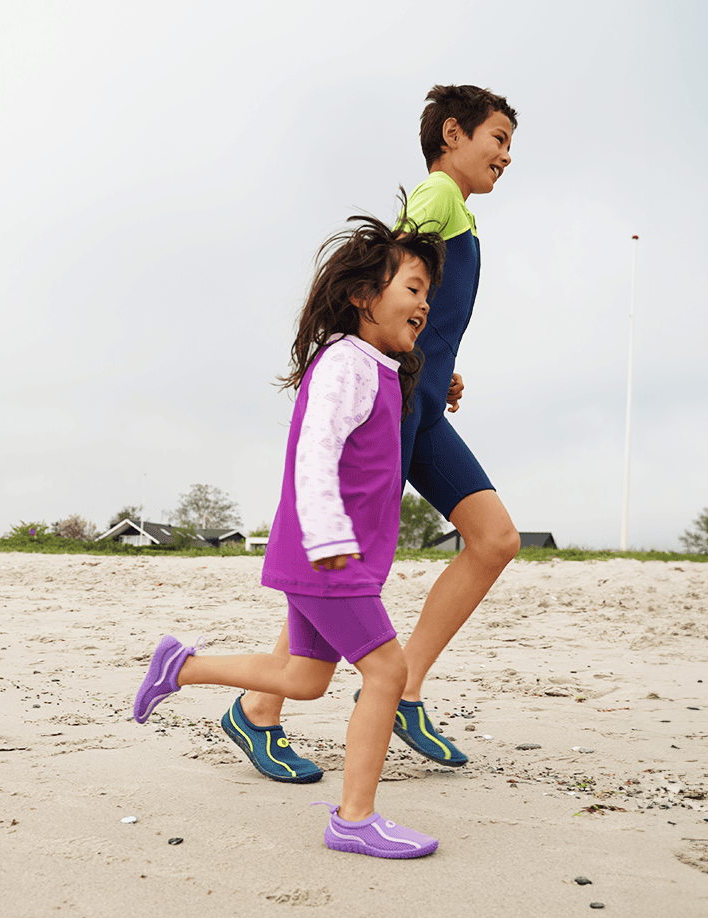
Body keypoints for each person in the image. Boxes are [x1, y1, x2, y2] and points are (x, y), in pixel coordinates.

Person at [133, 208, 445, 859]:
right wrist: (329, 539)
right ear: (364, 296)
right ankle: (354, 818)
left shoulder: (376, 366)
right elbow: (314, 448)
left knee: (301, 677)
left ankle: (181, 666)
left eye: (426, 293)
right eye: (412, 288)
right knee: (387, 669)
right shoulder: (345, 362)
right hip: (326, 557)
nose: (423, 303)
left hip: (327, 557)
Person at [237, 85, 522, 775]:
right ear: (451, 134)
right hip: (394, 411)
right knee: (346, 566)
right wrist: (392, 358)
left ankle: (405, 687)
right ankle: (256, 709)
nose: (506, 157)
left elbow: (423, 308)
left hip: (421, 405)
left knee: (493, 540)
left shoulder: (457, 213)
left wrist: (436, 365)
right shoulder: (436, 197)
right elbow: (391, 283)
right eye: (497, 139)